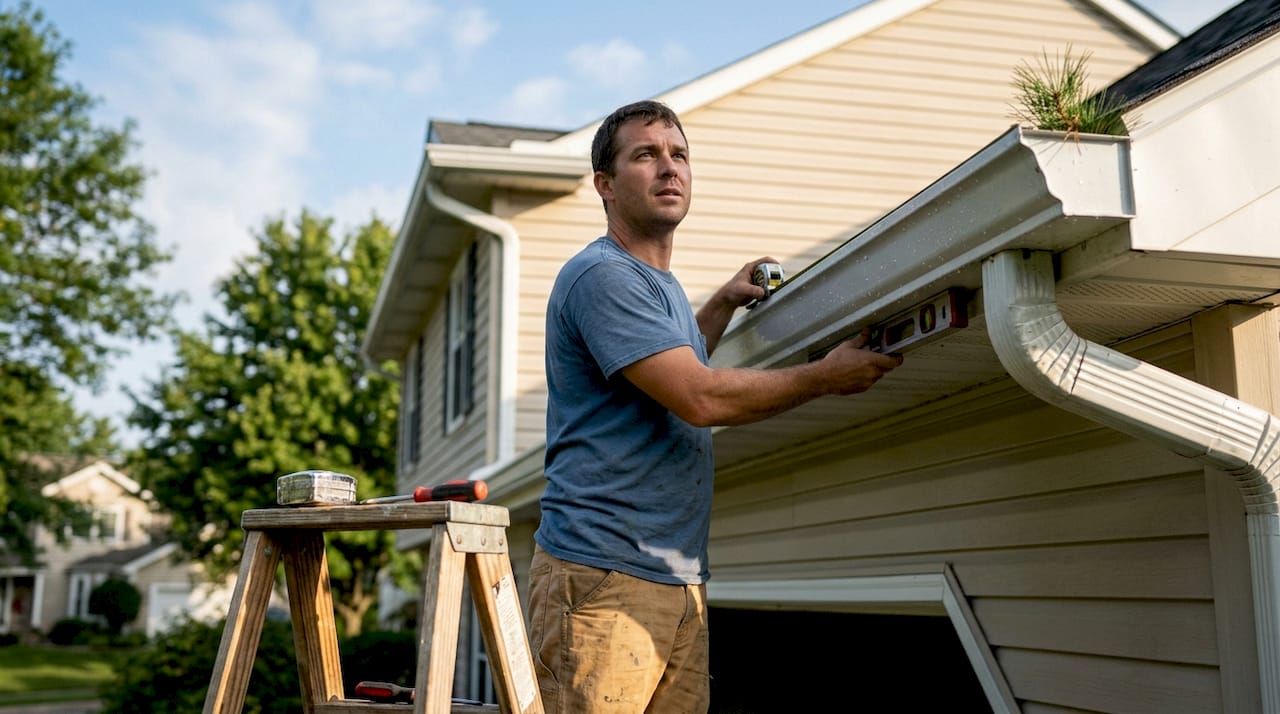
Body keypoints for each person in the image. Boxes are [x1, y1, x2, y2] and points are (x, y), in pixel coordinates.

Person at [528, 99, 903, 714]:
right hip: (603, 577)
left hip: (675, 576)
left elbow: (674, 370)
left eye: (679, 155)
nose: (669, 169)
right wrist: (827, 377)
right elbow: (698, 397)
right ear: (605, 185)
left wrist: (722, 304)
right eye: (645, 155)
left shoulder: (660, 286)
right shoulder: (602, 276)